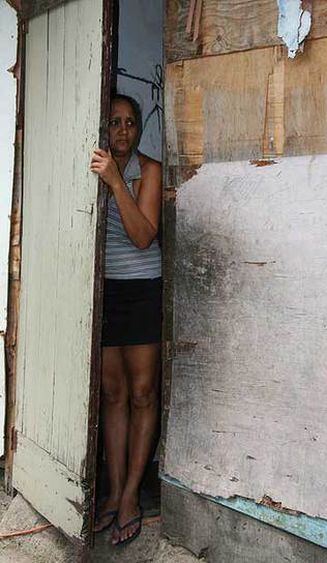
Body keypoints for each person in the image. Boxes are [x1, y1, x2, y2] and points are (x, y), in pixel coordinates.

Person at [90, 94, 162, 546]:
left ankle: (134, 495)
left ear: (138, 130)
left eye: (130, 123)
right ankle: (114, 493)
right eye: (114, 122)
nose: (121, 131)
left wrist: (118, 183)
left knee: (141, 393)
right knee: (112, 394)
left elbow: (141, 237)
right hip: (106, 290)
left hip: (141, 289)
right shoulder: (97, 166)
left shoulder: (147, 172)